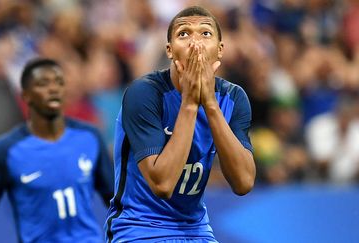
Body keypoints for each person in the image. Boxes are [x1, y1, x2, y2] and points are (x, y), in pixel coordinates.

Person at [105, 6, 256, 243]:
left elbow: (244, 182)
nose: (194, 42)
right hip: (140, 227)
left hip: (196, 229)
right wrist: (190, 102)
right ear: (169, 50)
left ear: (220, 50)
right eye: (183, 34)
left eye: (205, 33)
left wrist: (209, 103)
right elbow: (163, 184)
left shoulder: (233, 98)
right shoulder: (144, 93)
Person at [0, 58, 114, 243]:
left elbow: (115, 200)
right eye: (43, 83)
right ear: (26, 95)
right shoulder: (7, 149)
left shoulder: (89, 137)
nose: (53, 89)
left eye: (59, 82)